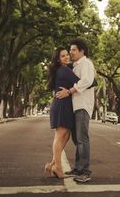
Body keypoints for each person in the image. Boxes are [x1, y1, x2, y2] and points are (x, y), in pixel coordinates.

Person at [56, 38, 95, 183]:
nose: (70, 52)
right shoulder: (75, 66)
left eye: (73, 50)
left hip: (83, 105)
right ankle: (78, 168)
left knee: (82, 139)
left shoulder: (86, 63)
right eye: (70, 50)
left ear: (81, 51)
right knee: (77, 139)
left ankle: (85, 171)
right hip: (74, 105)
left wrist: (69, 91)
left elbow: (87, 81)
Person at [45, 47, 80, 179]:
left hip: (63, 105)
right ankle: (58, 168)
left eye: (67, 55)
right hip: (62, 105)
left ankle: (52, 164)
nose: (67, 57)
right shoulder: (64, 70)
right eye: (63, 56)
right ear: (58, 59)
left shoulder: (62, 69)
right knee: (60, 137)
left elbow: (71, 65)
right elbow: (81, 82)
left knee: (65, 136)